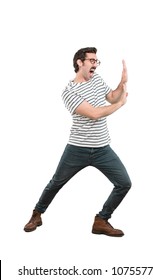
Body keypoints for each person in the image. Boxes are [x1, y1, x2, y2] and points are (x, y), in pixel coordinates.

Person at [24, 47, 132, 237]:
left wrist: (122, 83)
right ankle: (37, 214)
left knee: (124, 183)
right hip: (77, 149)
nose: (95, 65)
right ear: (79, 63)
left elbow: (112, 96)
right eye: (91, 61)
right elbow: (94, 114)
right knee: (55, 183)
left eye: (97, 61)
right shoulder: (69, 92)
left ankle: (101, 220)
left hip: (102, 149)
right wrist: (120, 104)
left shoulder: (97, 80)